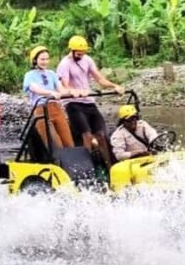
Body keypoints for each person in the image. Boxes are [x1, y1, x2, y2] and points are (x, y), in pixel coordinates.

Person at [56, 35, 123, 167]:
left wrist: (115, 86)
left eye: (83, 53)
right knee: (87, 135)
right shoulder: (64, 64)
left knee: (102, 135)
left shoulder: (87, 60)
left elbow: (100, 79)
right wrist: (74, 91)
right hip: (73, 103)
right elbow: (64, 85)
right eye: (79, 53)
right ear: (72, 50)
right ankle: (88, 168)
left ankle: (110, 167)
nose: (81, 55)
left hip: (88, 102)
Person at [23, 46, 76, 150]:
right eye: (42, 59)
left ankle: (73, 164)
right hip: (41, 110)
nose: (45, 62)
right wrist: (50, 93)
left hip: (55, 108)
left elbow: (61, 89)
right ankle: (56, 161)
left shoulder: (51, 74)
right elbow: (35, 88)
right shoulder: (29, 75)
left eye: (47, 59)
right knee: (55, 144)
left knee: (68, 142)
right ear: (35, 60)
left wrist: (73, 92)